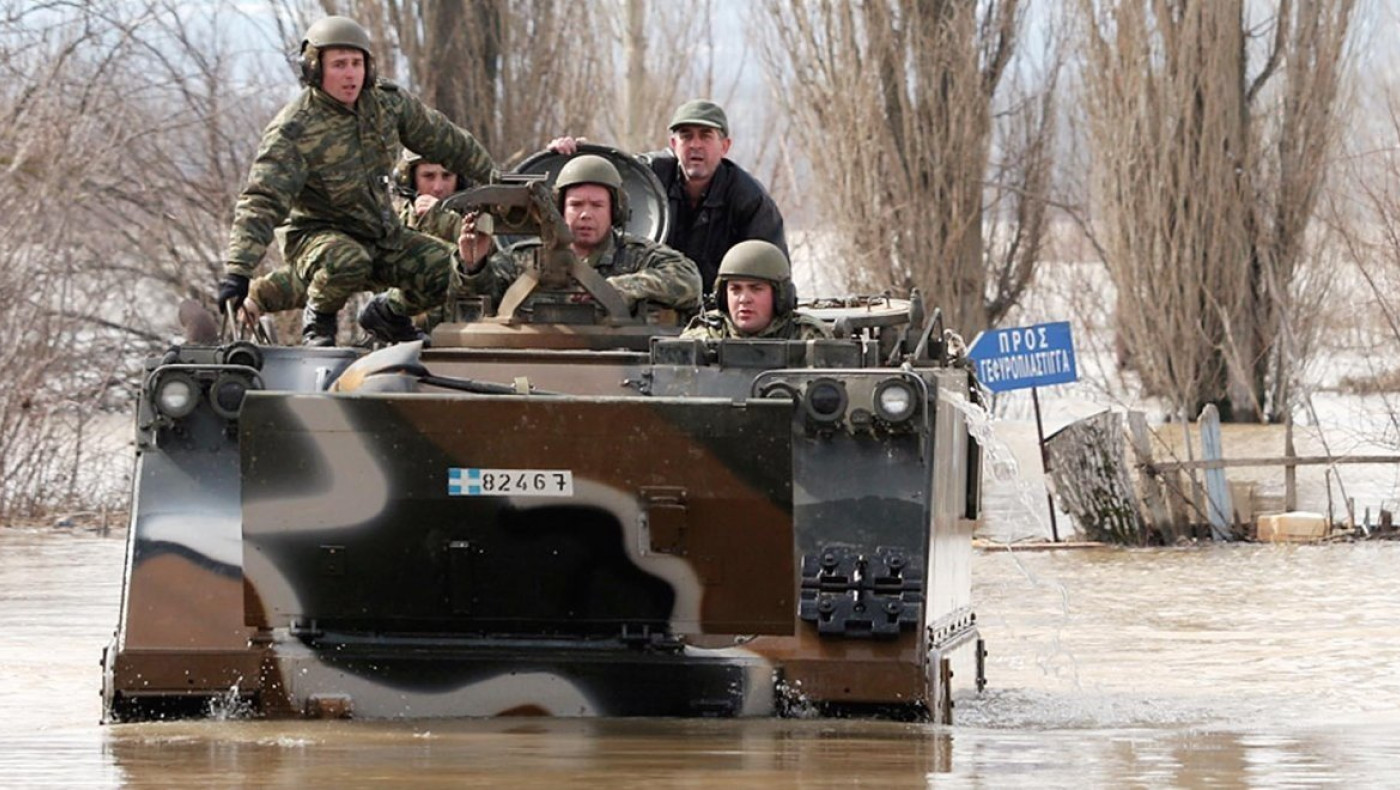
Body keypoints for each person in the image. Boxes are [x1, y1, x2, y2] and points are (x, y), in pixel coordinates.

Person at [215, 15, 498, 346]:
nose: (350, 74)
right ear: (314, 69)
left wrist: (496, 179)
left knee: (451, 270)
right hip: (317, 240)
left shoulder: (387, 104)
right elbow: (262, 201)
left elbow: (445, 140)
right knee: (347, 259)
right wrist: (238, 270)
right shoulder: (294, 129)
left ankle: (388, 315)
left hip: (379, 235)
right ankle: (318, 323)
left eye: (356, 63)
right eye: (338, 65)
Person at [548, 99, 786, 294]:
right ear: (673, 144)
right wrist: (572, 154)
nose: (695, 145)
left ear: (725, 146)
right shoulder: (648, 177)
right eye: (686, 136)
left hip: (717, 314)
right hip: (647, 304)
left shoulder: (750, 200)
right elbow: (598, 175)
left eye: (705, 136)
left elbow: (772, 272)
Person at [453, 154, 701, 319]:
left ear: (616, 211)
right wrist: (474, 265)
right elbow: (476, 306)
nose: (585, 214)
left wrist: (619, 288)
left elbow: (689, 281)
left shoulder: (637, 256)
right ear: (560, 209)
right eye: (576, 205)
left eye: (596, 205)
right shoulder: (523, 259)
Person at [681, 240, 830, 341]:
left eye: (756, 288)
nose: (744, 299)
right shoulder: (704, 334)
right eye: (735, 289)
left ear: (781, 296)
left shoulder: (808, 337)